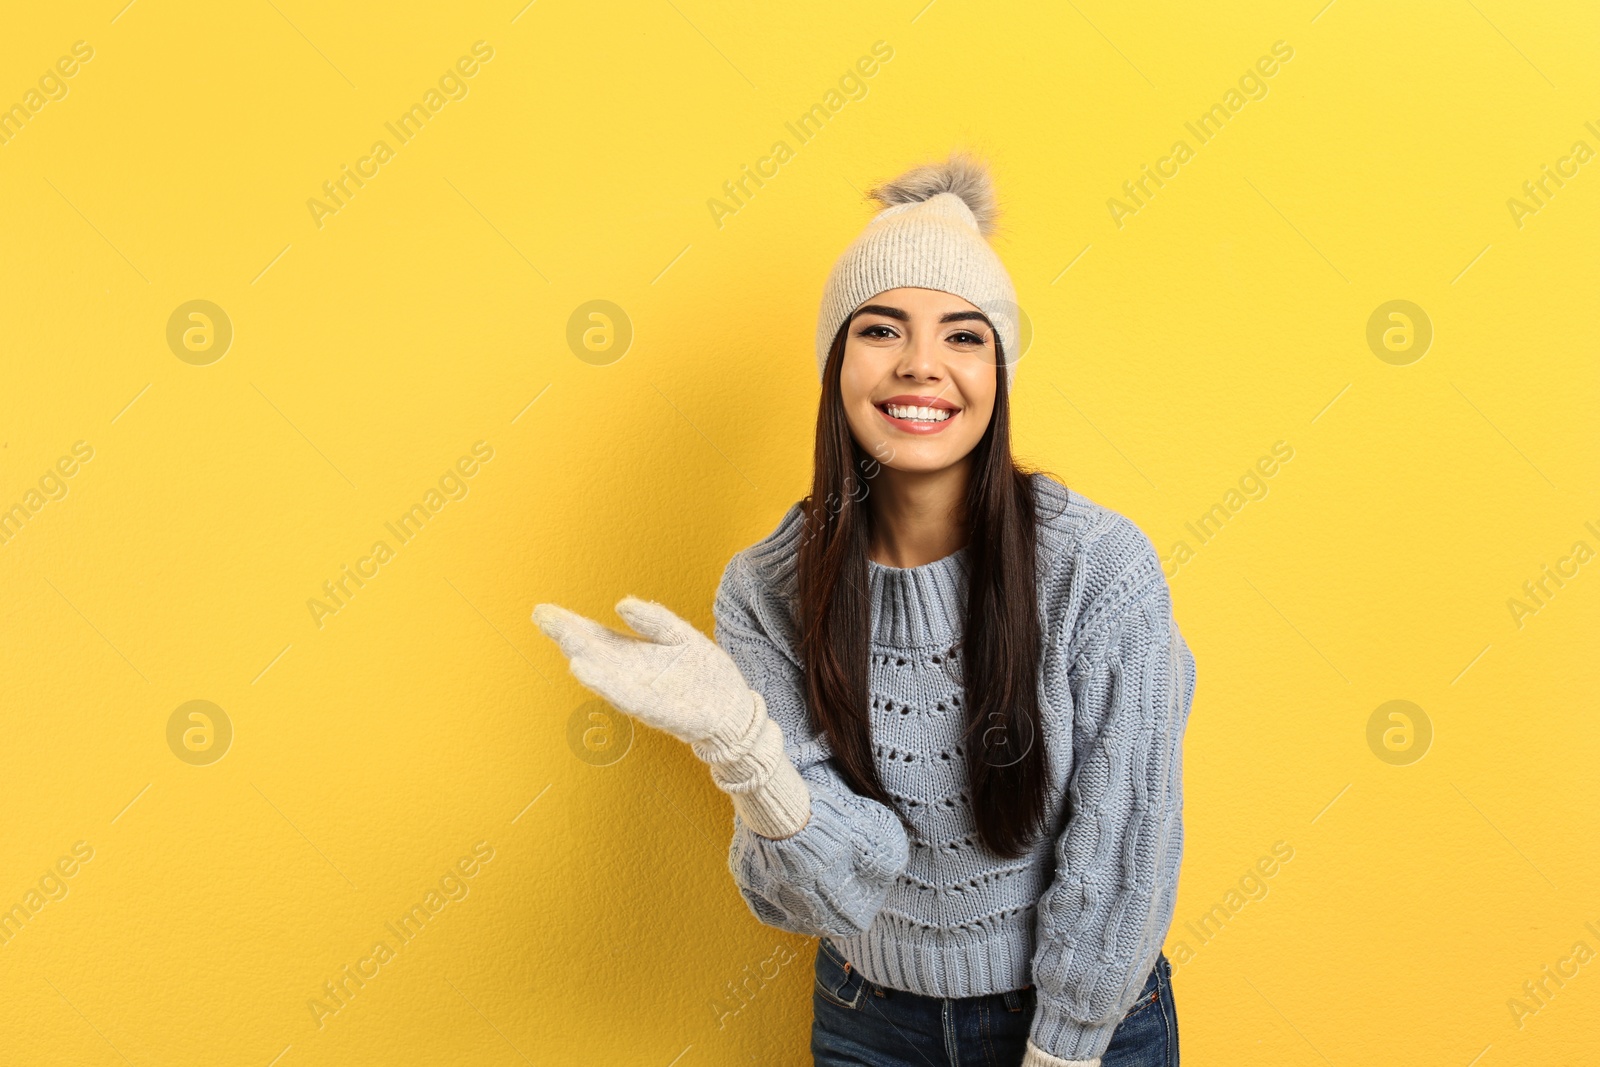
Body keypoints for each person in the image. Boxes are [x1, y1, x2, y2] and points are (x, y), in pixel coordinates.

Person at [534, 151, 1196, 1067]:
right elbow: (819, 892)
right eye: (882, 330)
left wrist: (1067, 1047)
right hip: (872, 1021)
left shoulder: (1096, 567)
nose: (923, 366)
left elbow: (1125, 837)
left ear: (1000, 371)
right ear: (836, 363)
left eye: (965, 336)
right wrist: (743, 747)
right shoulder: (767, 590)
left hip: (1087, 1014)